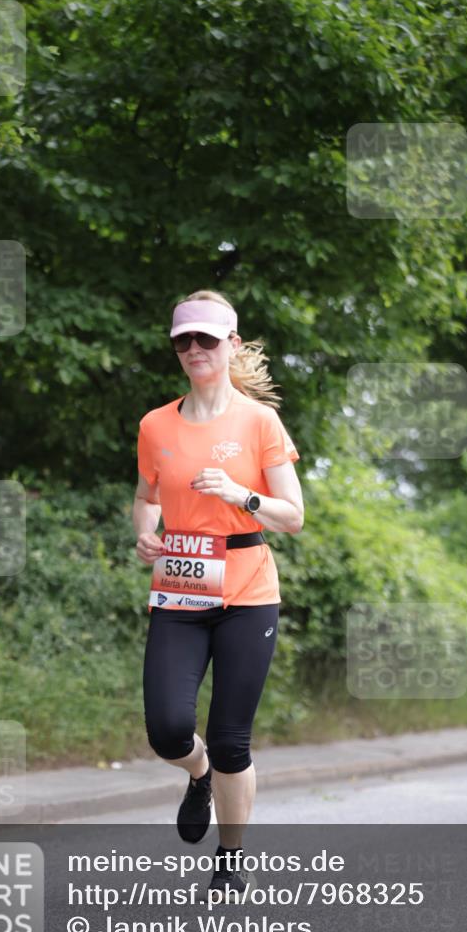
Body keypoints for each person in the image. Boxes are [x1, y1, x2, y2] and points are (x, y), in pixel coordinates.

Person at [132, 289, 303, 899]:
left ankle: (230, 858)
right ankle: (195, 774)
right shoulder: (156, 424)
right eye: (184, 340)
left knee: (233, 739)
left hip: (248, 589)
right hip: (181, 585)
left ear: (231, 344)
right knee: (168, 730)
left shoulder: (259, 421)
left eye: (207, 338)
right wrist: (146, 535)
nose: (195, 349)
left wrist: (240, 494)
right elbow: (147, 497)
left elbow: (293, 515)